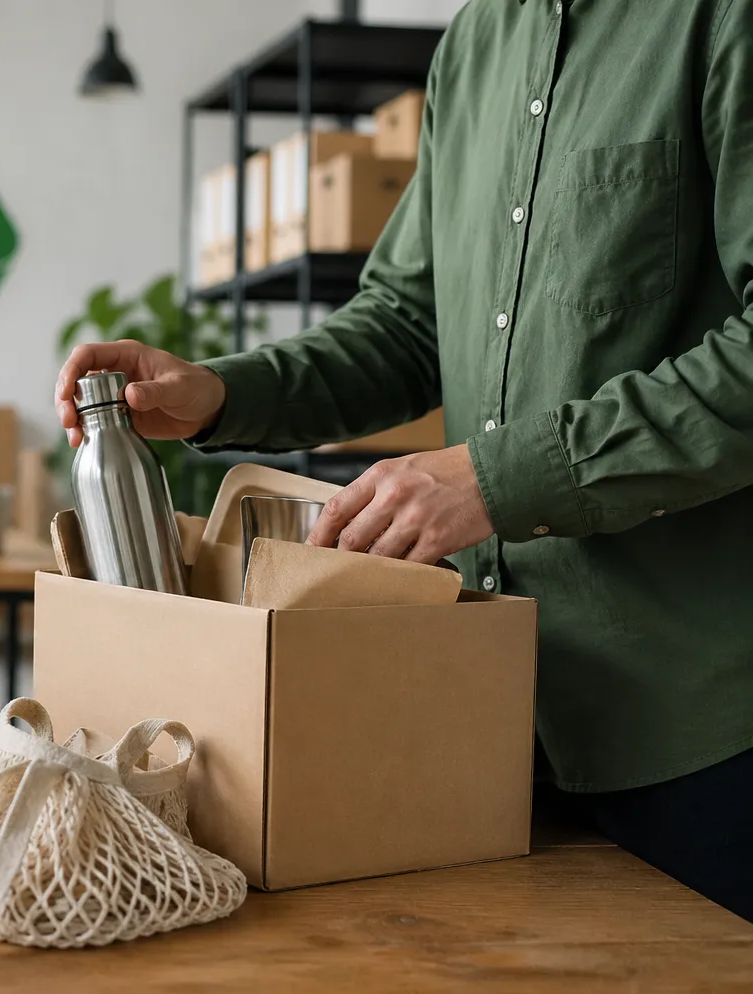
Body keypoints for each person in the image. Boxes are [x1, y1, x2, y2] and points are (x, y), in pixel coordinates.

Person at [56, 0, 753, 922]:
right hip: (475, 712)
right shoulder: (473, 44)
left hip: (694, 731)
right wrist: (221, 392)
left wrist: (499, 480)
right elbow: (405, 326)